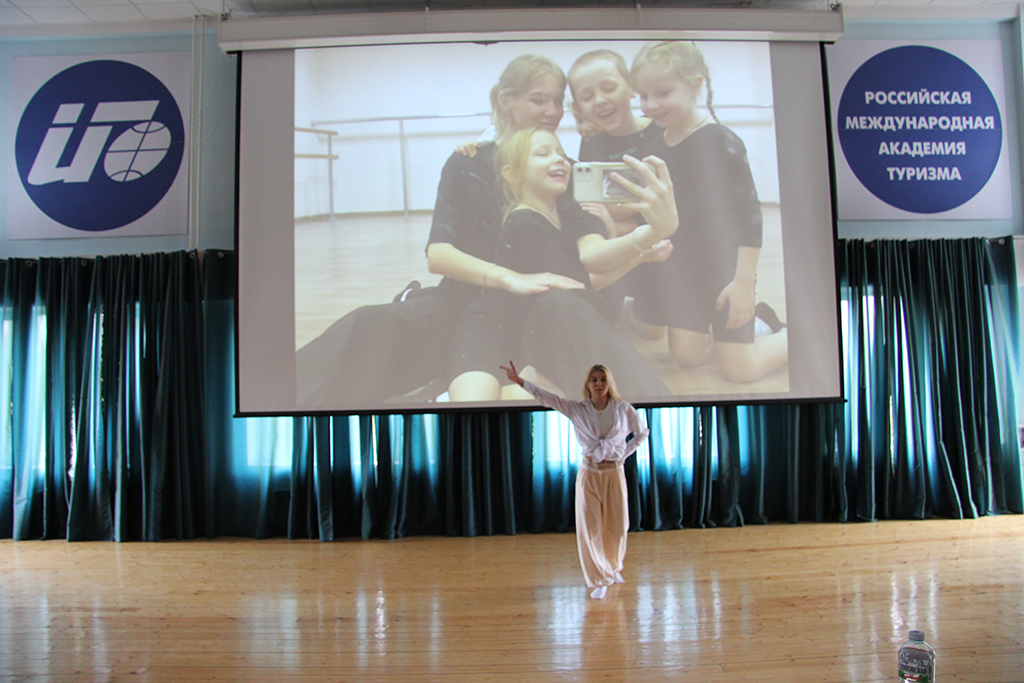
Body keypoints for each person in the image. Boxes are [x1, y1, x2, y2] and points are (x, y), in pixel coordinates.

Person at [296, 54, 593, 408]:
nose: (552, 111)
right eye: (539, 99)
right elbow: (439, 254)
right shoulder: (467, 163)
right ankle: (283, 405)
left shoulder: (569, 172)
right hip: (466, 302)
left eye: (558, 100)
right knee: (371, 325)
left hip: (541, 310)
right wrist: (509, 278)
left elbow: (593, 252)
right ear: (506, 101)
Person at [446, 127, 678, 402]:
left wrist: (641, 255)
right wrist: (646, 241)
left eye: (561, 153)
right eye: (543, 154)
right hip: (491, 331)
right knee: (482, 403)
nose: (558, 159)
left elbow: (577, 281)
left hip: (524, 332)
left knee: (530, 394)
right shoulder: (525, 223)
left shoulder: (562, 217)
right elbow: (580, 283)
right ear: (512, 173)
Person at [630, 40, 788, 383]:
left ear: (696, 85)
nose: (651, 104)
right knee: (686, 357)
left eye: (663, 92)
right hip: (685, 273)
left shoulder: (720, 141)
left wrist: (743, 284)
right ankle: (757, 322)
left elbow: (750, 217)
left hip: (725, 273)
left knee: (740, 370)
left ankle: (796, 333)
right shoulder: (654, 145)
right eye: (643, 95)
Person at [502, 360, 649, 599]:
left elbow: (642, 433)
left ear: (609, 383)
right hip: (590, 474)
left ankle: (613, 567)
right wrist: (519, 381)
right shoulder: (577, 409)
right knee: (591, 528)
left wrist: (624, 453)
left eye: (603, 380)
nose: (599, 384)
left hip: (614, 473)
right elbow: (548, 398)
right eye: (594, 380)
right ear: (588, 385)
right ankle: (599, 578)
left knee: (617, 526)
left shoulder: (623, 409)